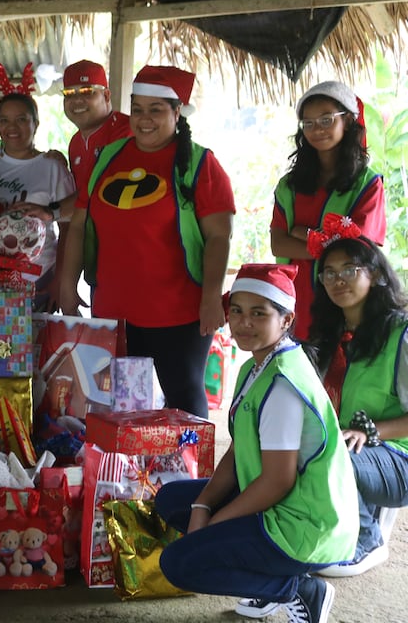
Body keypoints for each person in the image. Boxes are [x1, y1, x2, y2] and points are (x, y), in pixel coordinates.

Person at [155, 263, 357, 623]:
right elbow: (239, 449)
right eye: (236, 311)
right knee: (173, 500)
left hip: (307, 521)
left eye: (258, 314)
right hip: (284, 502)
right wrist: (203, 506)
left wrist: (216, 523)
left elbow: (278, 481)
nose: (243, 322)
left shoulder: (283, 383)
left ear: (286, 319)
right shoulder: (256, 366)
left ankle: (297, 589)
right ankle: (267, 579)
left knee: (181, 563)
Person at [59, 65, 235, 417]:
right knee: (123, 407)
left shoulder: (199, 164)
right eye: (138, 109)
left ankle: (190, 472)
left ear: (177, 112)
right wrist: (67, 285)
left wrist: (211, 296)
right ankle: (132, 473)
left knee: (183, 400)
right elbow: (79, 225)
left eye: (156, 110)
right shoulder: (110, 157)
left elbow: (219, 236)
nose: (144, 119)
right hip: (115, 310)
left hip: (179, 313)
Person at [304, 217, 408, 578]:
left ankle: (367, 539)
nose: (338, 280)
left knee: (334, 455)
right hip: (343, 445)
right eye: (328, 273)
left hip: (397, 456)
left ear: (376, 274)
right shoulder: (328, 336)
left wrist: (371, 432)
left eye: (349, 269)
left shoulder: (402, 334)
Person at [272, 81, 385, 342]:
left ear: (346, 121)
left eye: (326, 120)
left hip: (348, 303)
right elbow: (278, 244)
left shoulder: (367, 184)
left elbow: (357, 248)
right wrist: (325, 239)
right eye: (308, 123)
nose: (316, 130)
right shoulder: (289, 185)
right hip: (297, 304)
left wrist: (302, 234)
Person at [0, 65, 75, 309]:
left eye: (22, 119)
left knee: (29, 346)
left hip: (36, 279)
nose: (13, 127)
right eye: (5, 120)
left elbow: (69, 230)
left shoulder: (52, 167)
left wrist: (63, 281)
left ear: (36, 123)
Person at [61, 59, 131, 195]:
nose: (77, 100)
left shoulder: (126, 131)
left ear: (106, 96)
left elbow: (104, 194)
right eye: (69, 93)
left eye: (87, 91)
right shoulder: (75, 142)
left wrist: (52, 210)